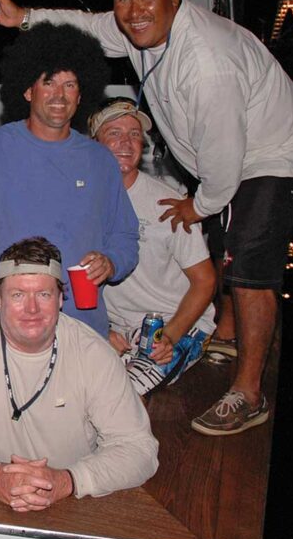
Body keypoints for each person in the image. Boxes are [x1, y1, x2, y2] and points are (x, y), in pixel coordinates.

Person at [0, 0, 293, 435]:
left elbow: (223, 163)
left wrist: (200, 205)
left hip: (270, 154)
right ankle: (227, 332)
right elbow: (87, 25)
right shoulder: (137, 27)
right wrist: (23, 17)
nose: (134, 11)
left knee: (252, 269)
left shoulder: (207, 64)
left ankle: (249, 392)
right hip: (221, 158)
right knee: (225, 246)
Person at [0, 237, 158, 512]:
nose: (32, 308)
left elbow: (139, 449)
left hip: (72, 502)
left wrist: (65, 481)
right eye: (18, 295)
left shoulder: (93, 353)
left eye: (44, 294)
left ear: (61, 299)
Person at [0, 23, 139, 337]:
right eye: (48, 82)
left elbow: (125, 237)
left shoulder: (100, 160)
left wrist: (111, 262)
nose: (59, 95)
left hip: (78, 329)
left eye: (70, 85)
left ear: (81, 95)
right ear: (27, 90)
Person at [90, 99, 216, 395]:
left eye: (135, 134)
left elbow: (206, 281)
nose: (126, 142)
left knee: (121, 395)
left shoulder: (167, 204)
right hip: (113, 327)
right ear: (93, 142)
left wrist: (170, 336)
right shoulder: (80, 200)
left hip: (174, 324)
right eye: (115, 132)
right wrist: (100, 329)